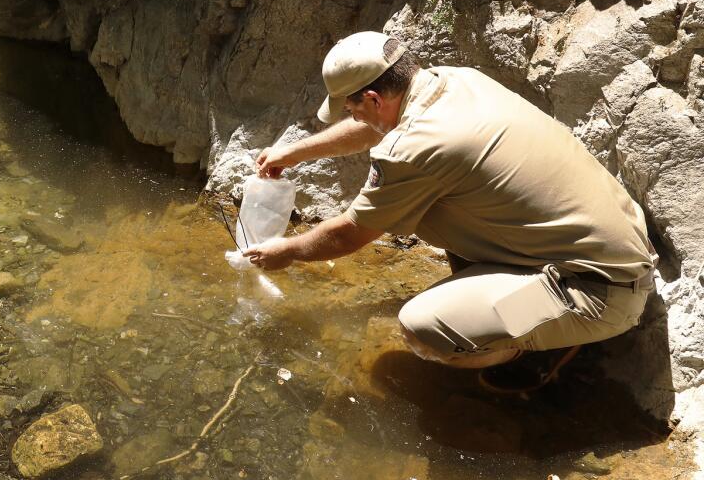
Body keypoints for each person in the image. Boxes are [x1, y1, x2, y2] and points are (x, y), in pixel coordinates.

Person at [243, 31, 656, 391]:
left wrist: (289, 251)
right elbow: (377, 124)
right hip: (613, 246)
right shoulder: (455, 81)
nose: (353, 117)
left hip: (599, 290)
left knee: (425, 329)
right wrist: (294, 153)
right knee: (437, 206)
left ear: (372, 97)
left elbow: (352, 232)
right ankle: (530, 313)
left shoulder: (415, 148)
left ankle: (541, 351)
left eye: (352, 109)